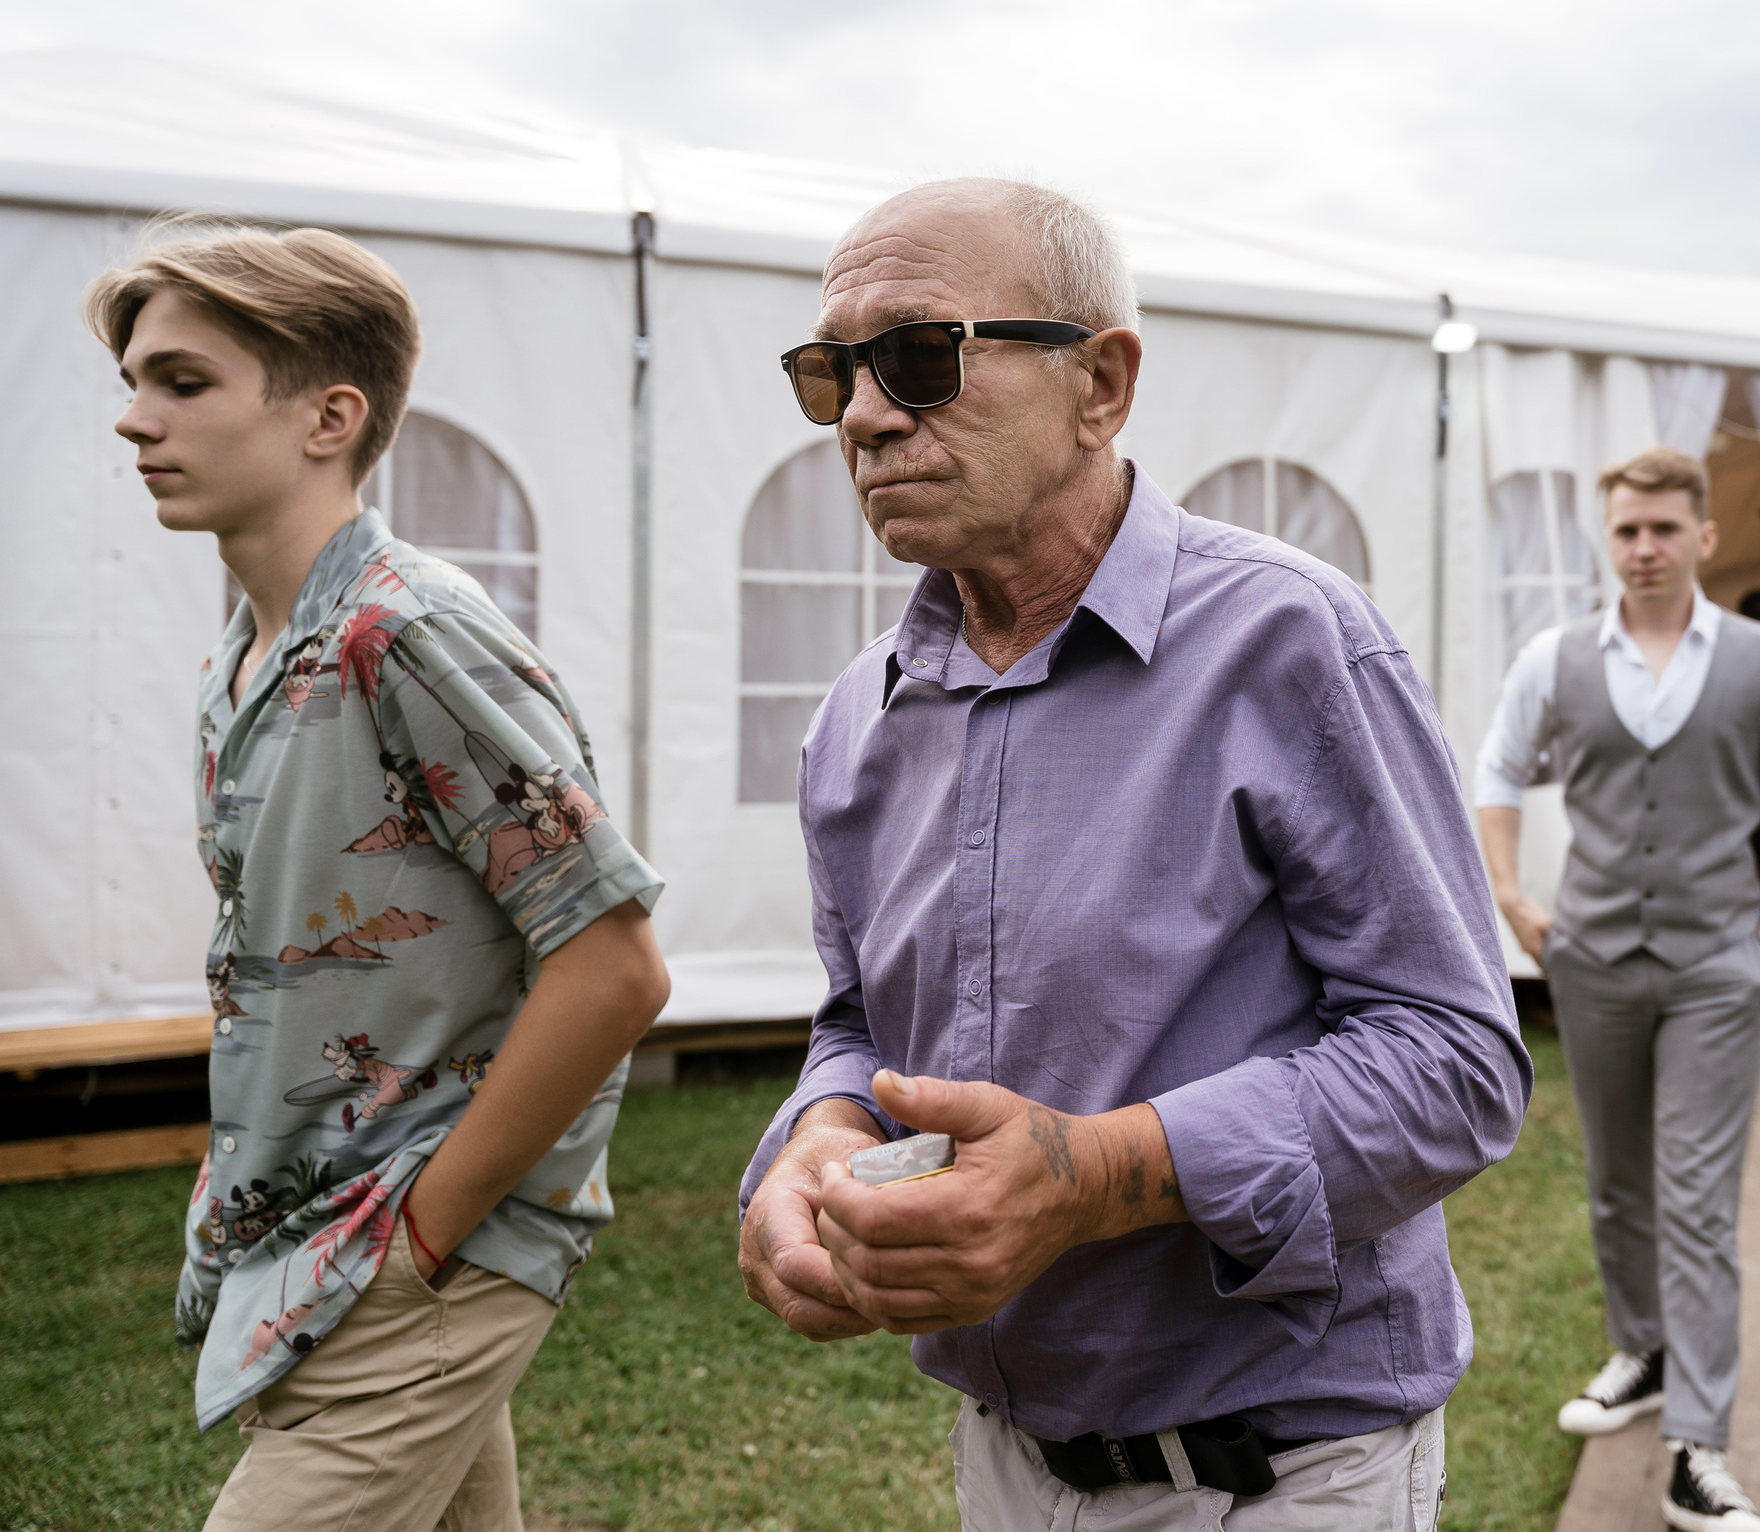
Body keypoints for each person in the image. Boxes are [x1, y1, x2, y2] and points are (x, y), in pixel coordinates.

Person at [735, 179, 1530, 1531]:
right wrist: (816, 1139)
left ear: (1101, 383)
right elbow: (857, 1020)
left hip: (1276, 1471)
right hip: (1007, 1459)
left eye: (921, 356)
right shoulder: (859, 715)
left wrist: (1093, 1173)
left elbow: (1456, 1064)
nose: (866, 414)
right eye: (835, 372)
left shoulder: (1291, 642)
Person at [93, 221, 670, 1532]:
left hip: (412, 1243)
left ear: (328, 415)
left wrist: (430, 1227)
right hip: (312, 1225)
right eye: (133, 382)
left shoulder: (406, 634)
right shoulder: (244, 658)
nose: (135, 419)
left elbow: (613, 962)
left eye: (182, 381)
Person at [1475, 446, 1760, 1532]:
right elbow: (1496, 772)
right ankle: (1639, 1349)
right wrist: (1514, 902)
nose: (1643, 549)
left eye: (1663, 530)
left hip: (1717, 969)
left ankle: (1700, 1450)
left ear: (1702, 538)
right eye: (1626, 530)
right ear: (1609, 537)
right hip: (1590, 956)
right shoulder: (1556, 657)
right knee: (1616, 1179)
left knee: (1693, 1199)